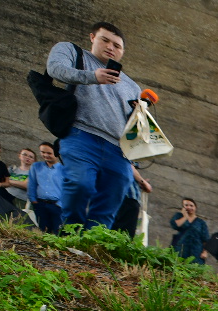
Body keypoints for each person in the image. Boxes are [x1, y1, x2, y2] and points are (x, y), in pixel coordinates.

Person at [47, 22, 146, 230]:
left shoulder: (132, 86)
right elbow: (55, 69)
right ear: (92, 37)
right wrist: (93, 77)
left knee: (111, 200)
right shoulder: (74, 53)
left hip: (118, 149)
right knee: (80, 185)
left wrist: (138, 114)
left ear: (123, 52)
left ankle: (93, 245)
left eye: (117, 46)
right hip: (81, 135)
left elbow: (133, 127)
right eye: (105, 40)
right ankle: (69, 234)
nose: (111, 47)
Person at [27, 143, 63, 234]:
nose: (46, 155)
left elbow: (68, 189)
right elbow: (32, 184)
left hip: (57, 205)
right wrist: (33, 200)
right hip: (40, 204)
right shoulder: (36, 167)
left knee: (57, 232)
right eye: (43, 152)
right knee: (41, 230)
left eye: (49, 153)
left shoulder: (64, 169)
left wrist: (60, 204)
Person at [111, 166, 151, 237]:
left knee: (121, 236)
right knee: (123, 237)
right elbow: (128, 164)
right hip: (125, 197)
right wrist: (142, 181)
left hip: (129, 197)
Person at [168, 198, 209, 263]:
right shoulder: (178, 216)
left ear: (195, 207)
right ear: (183, 207)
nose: (189, 207)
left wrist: (205, 252)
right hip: (180, 249)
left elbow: (206, 239)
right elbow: (175, 225)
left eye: (191, 205)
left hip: (196, 251)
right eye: (186, 205)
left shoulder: (201, 223)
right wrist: (185, 217)